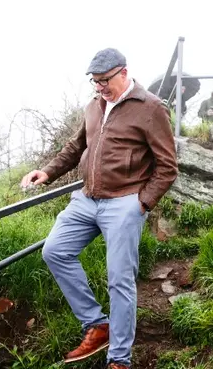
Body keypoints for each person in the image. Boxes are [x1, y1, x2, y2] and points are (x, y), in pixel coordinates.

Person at [19, 48, 178, 369]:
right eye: (94, 82)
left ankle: (119, 358)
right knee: (55, 251)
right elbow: (77, 145)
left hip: (125, 203)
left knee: (119, 279)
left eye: (104, 80)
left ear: (123, 73)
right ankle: (97, 323)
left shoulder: (150, 109)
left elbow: (167, 166)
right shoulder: (95, 105)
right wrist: (47, 172)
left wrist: (141, 203)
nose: (99, 87)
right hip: (86, 199)